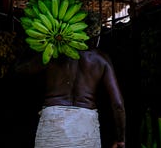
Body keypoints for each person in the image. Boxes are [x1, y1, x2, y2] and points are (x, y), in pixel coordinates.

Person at [14, 11, 126, 148]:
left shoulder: (52, 52)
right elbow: (118, 105)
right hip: (85, 126)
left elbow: (21, 70)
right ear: (96, 36)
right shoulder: (101, 59)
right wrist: (120, 138)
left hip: (52, 122)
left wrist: (29, 46)